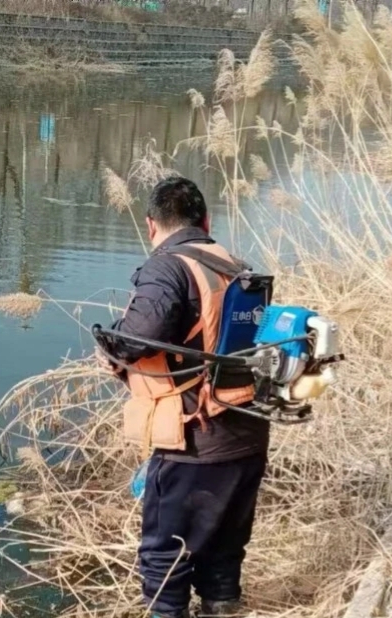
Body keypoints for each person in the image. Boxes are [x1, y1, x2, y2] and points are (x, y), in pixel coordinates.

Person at [95, 176, 270, 618]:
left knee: (165, 557)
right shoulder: (238, 267)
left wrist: (110, 346)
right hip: (247, 432)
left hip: (194, 440)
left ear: (151, 225)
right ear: (206, 221)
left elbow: (141, 334)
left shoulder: (167, 267)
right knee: (223, 550)